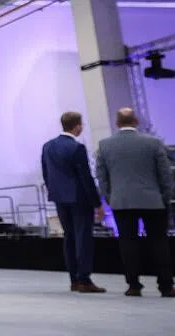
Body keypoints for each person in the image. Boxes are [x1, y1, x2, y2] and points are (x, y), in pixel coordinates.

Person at [95, 108, 174, 297]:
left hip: (122, 202)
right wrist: (165, 197)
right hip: (153, 200)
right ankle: (166, 286)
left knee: (128, 244)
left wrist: (109, 198)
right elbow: (165, 175)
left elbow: (102, 177)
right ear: (136, 121)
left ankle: (133, 285)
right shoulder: (154, 143)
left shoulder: (105, 145)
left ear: (117, 123)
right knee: (159, 243)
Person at [41, 111, 106, 293]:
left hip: (60, 198)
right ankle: (84, 279)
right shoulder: (76, 148)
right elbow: (85, 178)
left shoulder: (47, 147)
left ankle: (74, 279)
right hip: (79, 198)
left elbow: (47, 174)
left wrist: (54, 191)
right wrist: (97, 203)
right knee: (83, 238)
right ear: (77, 126)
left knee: (69, 238)